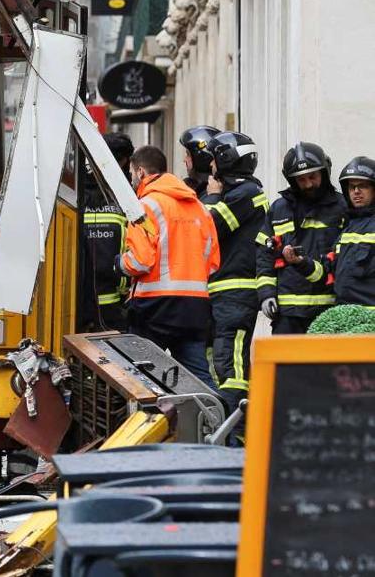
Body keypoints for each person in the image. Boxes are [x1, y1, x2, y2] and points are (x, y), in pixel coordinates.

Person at [119, 145, 216, 386]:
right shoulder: (199, 208)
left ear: (141, 172)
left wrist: (120, 263)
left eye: (132, 173)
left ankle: (147, 421)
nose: (131, 178)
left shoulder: (144, 207)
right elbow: (212, 261)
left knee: (139, 376)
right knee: (198, 376)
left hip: (154, 305)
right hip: (195, 306)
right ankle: (218, 420)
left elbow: (141, 261)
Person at [200, 131, 267, 424]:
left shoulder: (246, 194)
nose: (210, 166)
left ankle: (236, 430)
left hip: (235, 294)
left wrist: (212, 196)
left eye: (213, 159)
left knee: (232, 365)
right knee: (222, 361)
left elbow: (208, 227)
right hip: (224, 293)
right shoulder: (241, 192)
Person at [257, 143, 344, 334]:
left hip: (329, 309)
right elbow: (264, 256)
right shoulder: (279, 209)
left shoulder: (342, 208)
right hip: (288, 314)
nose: (308, 184)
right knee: (285, 364)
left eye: (312, 177)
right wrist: (266, 294)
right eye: (301, 180)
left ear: (325, 172)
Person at [79, 132, 135, 331]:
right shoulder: (126, 198)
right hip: (114, 304)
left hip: (80, 303)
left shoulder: (77, 192)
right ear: (123, 162)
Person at [310, 157, 375, 307]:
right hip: (345, 312)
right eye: (352, 187)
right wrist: (300, 263)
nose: (356, 192)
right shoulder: (349, 227)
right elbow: (328, 270)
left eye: (363, 186)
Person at [179, 125, 221, 198]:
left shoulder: (210, 193)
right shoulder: (192, 188)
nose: (184, 160)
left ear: (201, 158)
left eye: (188, 155)